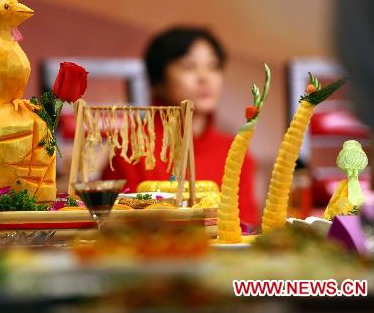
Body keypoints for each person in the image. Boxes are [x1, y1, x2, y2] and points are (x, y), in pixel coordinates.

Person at [102, 27, 258, 225]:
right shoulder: (133, 147)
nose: (205, 77)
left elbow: (245, 225)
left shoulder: (234, 150)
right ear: (158, 80)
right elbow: (117, 224)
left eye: (213, 66)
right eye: (189, 67)